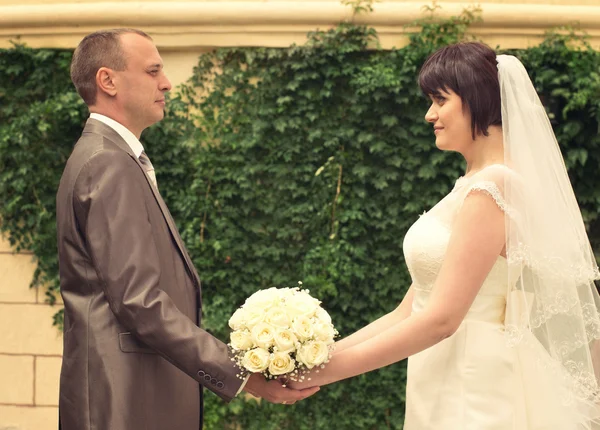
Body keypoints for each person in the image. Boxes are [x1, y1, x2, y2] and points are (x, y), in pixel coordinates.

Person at [290, 42, 600, 429]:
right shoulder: (471, 186)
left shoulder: (495, 187)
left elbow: (442, 319)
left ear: (477, 99)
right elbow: (411, 309)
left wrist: (322, 374)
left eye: (440, 100)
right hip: (442, 373)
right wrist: (314, 360)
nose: (429, 114)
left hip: (474, 382)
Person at [56, 28, 318, 430]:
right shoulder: (107, 163)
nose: (167, 83)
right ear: (107, 80)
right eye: (152, 71)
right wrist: (242, 373)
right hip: (124, 403)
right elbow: (139, 300)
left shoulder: (110, 157)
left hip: (135, 396)